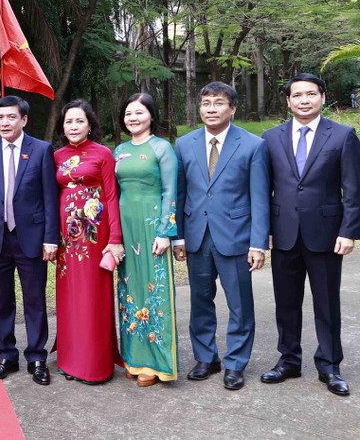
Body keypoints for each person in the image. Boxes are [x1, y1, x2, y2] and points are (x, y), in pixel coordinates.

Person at [260, 73, 360, 396]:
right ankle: (288, 360)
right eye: (298, 95)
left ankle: (330, 366)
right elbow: (264, 189)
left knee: (326, 303)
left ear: (323, 98)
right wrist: (265, 233)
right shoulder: (271, 137)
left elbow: (354, 189)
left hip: (327, 234)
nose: (304, 100)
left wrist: (349, 231)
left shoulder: (343, 135)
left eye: (311, 94)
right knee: (286, 303)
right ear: (287, 101)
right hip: (284, 233)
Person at [173, 82, 269, 391]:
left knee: (240, 304)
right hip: (197, 236)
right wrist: (179, 237)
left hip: (236, 237)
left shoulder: (253, 145)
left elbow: (260, 197)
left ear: (233, 108)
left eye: (218, 103)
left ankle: (236, 363)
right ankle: (206, 358)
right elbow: (180, 193)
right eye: (206, 103)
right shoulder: (184, 144)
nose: (211, 109)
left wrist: (258, 243)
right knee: (200, 301)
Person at [0, 96, 58, 386]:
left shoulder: (42, 150)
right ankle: (6, 356)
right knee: (0, 300)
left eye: (11, 117)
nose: (5, 122)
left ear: (23, 119)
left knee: (34, 299)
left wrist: (51, 238)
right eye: (0, 118)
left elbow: (50, 196)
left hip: (32, 238)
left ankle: (37, 357)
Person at [53, 100, 123, 384]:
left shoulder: (103, 153)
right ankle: (70, 361)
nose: (73, 126)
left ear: (90, 125)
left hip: (96, 237)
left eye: (79, 121)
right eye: (69, 121)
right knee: (69, 298)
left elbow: (111, 196)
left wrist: (115, 238)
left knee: (93, 298)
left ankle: (95, 365)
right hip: (66, 241)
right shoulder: (56, 155)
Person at [113, 93, 179, 387]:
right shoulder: (119, 150)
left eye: (139, 113)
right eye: (128, 113)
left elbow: (170, 190)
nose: (133, 118)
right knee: (128, 289)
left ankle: (155, 363)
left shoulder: (162, 148)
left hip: (152, 228)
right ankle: (133, 357)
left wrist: (165, 232)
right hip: (125, 230)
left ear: (151, 116)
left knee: (155, 291)